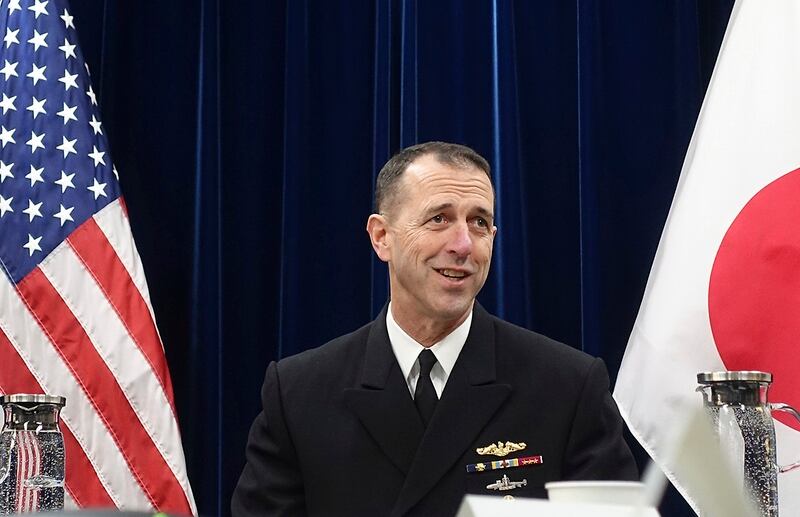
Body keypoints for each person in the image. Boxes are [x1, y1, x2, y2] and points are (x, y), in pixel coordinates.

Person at [232, 142, 637, 517]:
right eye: (439, 218)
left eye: (479, 222)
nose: (463, 244)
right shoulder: (299, 393)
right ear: (381, 237)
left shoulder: (568, 386)